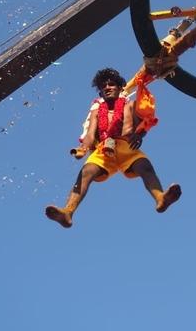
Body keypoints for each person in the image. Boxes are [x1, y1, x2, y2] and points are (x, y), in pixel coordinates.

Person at [45, 67, 181, 228]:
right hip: (103, 149)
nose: (107, 87)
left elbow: (143, 122)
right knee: (86, 172)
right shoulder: (96, 111)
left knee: (145, 167)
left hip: (126, 145)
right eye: (103, 87)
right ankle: (68, 211)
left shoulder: (130, 105)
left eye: (111, 84)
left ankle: (161, 198)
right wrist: (82, 149)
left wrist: (140, 135)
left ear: (120, 88)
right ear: (101, 93)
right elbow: (90, 133)